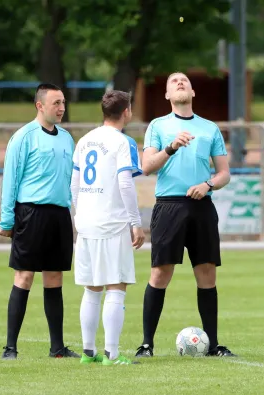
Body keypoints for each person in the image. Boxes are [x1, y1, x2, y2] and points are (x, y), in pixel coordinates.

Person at [135, 71, 235, 358]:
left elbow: (224, 173)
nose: (180, 83)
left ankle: (213, 345)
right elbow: (146, 166)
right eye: (174, 82)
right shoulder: (158, 126)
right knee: (160, 273)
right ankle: (146, 345)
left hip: (202, 206)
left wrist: (208, 185)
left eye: (185, 82)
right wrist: (171, 147)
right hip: (169, 206)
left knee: (207, 273)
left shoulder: (209, 128)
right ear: (167, 94)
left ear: (192, 92)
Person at [0, 83, 79, 360]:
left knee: (54, 278)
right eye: (56, 103)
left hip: (59, 215)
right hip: (31, 214)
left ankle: (57, 348)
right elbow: (11, 179)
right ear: (40, 105)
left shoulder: (67, 139)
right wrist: (7, 219)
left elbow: (71, 181)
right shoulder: (23, 137)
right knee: (24, 276)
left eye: (63, 103)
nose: (61, 108)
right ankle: (10, 348)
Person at [71, 90, 145, 366]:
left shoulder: (85, 140)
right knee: (116, 285)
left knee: (92, 288)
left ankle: (88, 352)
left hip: (86, 222)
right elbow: (125, 183)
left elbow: (74, 183)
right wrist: (135, 222)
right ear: (126, 112)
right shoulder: (122, 142)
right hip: (112, 222)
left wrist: (80, 214)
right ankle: (112, 354)